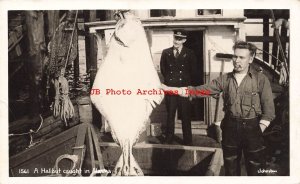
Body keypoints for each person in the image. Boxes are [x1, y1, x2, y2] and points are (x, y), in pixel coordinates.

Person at [161, 41, 275, 176]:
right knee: (230, 167)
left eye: (241, 58)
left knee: (256, 168)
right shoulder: (225, 79)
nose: (236, 61)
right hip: (230, 127)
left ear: (250, 59)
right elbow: (202, 90)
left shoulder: (260, 80)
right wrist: (174, 90)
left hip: (253, 128)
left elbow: (269, 111)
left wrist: (258, 129)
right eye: (235, 56)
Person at [160, 30, 197, 146]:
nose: (177, 41)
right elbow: (163, 70)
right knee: (170, 114)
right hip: (170, 88)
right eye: (176, 38)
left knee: (185, 115)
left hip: (184, 89)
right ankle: (169, 139)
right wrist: (170, 82)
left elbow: (193, 71)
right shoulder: (166, 52)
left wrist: (190, 89)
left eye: (180, 39)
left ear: (184, 40)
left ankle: (188, 140)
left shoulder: (189, 53)